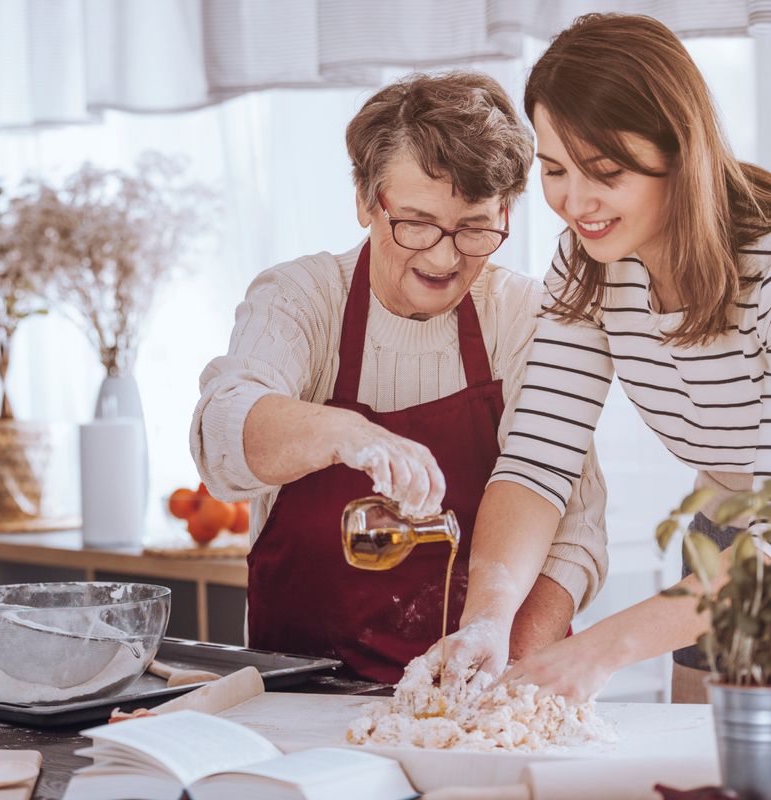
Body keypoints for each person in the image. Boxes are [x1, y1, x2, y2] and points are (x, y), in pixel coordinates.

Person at [437, 13, 771, 703]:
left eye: (605, 171)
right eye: (553, 170)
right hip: (730, 528)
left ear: (681, 150)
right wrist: (488, 616)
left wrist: (599, 649)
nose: (575, 203)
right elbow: (538, 462)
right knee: (700, 763)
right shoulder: (589, 266)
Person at [190, 72, 608, 684]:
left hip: (486, 696)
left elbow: (573, 531)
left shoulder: (525, 316)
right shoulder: (302, 298)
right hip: (305, 700)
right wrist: (343, 433)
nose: (442, 258)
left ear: (506, 212)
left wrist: (500, 677)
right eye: (414, 222)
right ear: (365, 199)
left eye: (474, 227)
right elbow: (221, 439)